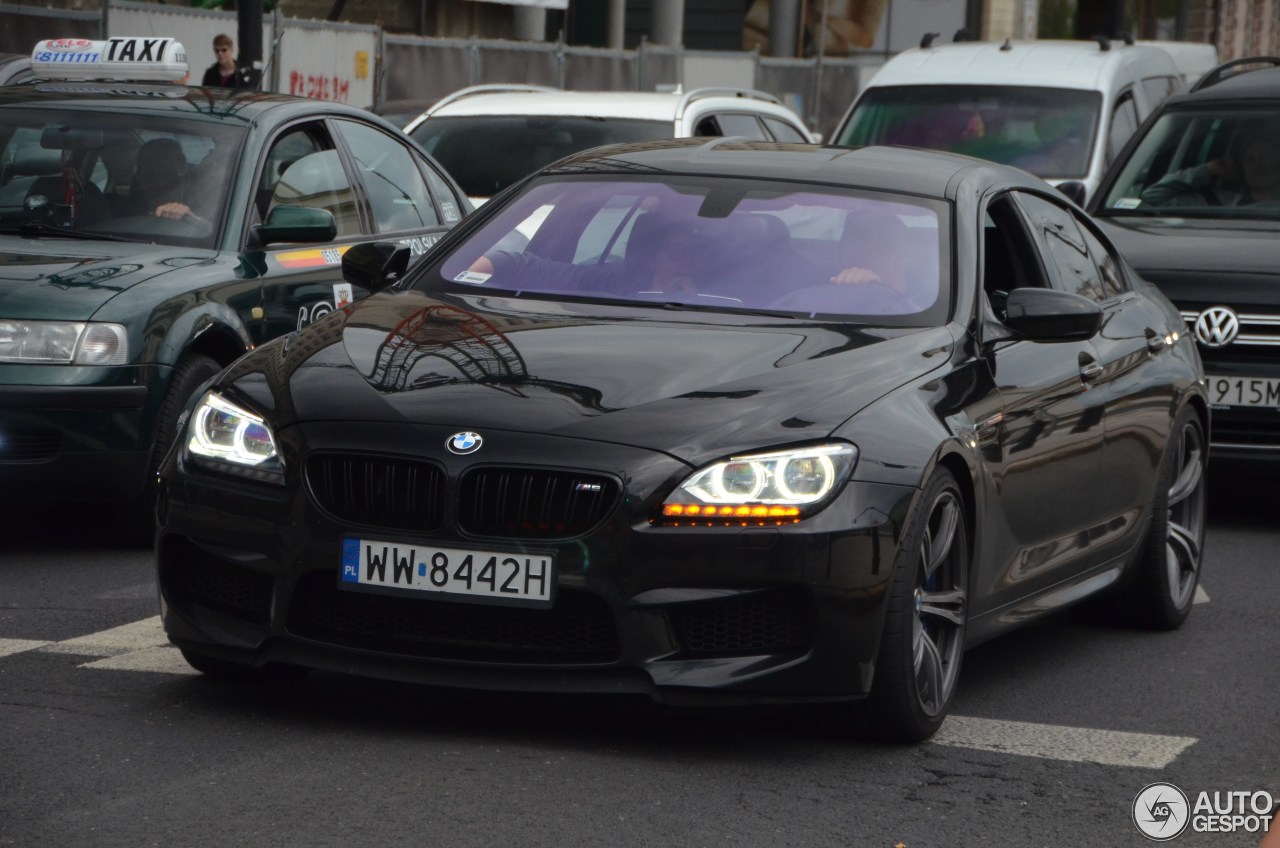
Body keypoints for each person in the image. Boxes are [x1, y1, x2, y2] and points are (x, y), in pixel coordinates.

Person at [1141, 123, 1280, 207]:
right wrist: (1208, 170)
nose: (1258, 164)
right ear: (1241, 168)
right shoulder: (1218, 202)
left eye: (1266, 157)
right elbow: (1152, 196)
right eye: (1250, 160)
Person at [120, 138, 209, 227]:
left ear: (183, 176)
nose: (160, 183)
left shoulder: (207, 206)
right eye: (151, 176)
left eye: (168, 176)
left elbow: (213, 230)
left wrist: (195, 220)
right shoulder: (119, 214)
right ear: (138, 178)